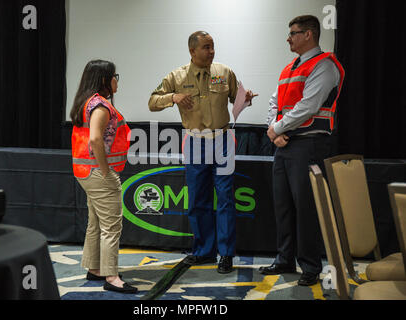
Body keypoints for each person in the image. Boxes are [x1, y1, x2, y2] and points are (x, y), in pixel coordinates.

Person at [148, 31, 257, 274]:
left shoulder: (224, 72)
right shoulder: (176, 76)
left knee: (226, 197)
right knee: (198, 199)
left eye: (213, 47)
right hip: (195, 141)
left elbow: (236, 100)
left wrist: (246, 99)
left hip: (222, 140)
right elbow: (152, 102)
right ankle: (204, 251)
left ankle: (226, 254)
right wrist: (173, 97)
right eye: (206, 47)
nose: (211, 51)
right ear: (192, 51)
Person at [259, 15, 345, 286]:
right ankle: (285, 259)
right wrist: (275, 129)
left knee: (306, 207)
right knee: (283, 205)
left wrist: (278, 129)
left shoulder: (325, 66)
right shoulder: (288, 69)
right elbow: (275, 102)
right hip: (285, 145)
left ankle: (309, 266)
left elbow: (308, 106)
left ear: (309, 35)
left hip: (308, 145)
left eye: (293, 33)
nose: (288, 38)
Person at [70, 60, 137, 293]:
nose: (116, 80)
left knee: (96, 222)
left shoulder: (88, 102)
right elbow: (96, 140)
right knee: (111, 225)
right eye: (114, 75)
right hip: (98, 173)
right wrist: (106, 170)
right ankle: (112, 277)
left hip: (86, 172)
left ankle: (95, 268)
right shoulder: (100, 106)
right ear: (104, 80)